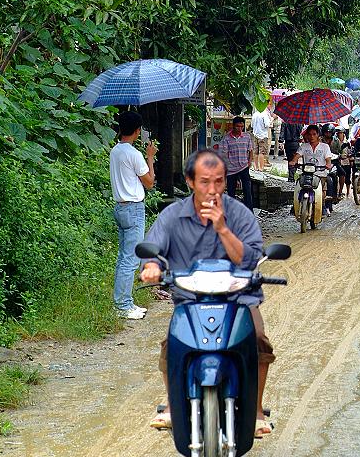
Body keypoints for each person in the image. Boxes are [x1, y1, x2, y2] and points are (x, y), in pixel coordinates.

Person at [139, 149, 276, 436]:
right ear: (190, 181)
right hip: (191, 299)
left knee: (259, 340)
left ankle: (256, 411)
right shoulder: (173, 216)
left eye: (218, 182)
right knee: (172, 343)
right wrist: (151, 266)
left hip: (238, 298)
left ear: (226, 182)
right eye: (204, 182)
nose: (212, 189)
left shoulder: (239, 214)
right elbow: (153, 247)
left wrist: (223, 228)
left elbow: (249, 260)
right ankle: (172, 404)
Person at [109, 110, 156, 319]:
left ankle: (122, 301)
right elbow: (149, 182)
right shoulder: (134, 155)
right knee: (131, 259)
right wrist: (150, 157)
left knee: (123, 257)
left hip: (120, 207)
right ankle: (123, 305)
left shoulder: (115, 151)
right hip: (134, 208)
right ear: (137, 131)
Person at [289, 125, 334, 212]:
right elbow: (297, 156)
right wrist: (293, 161)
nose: (312, 136)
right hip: (306, 173)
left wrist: (328, 164)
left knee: (322, 188)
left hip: (320, 172)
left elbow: (328, 159)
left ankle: (322, 205)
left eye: (314, 134)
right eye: (309, 134)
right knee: (298, 185)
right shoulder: (304, 146)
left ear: (318, 135)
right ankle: (295, 204)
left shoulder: (325, 147)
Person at [219, 115, 254, 210]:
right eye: (238, 126)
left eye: (242, 127)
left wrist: (250, 161)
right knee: (231, 192)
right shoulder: (226, 138)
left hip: (244, 167)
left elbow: (250, 150)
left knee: (247, 191)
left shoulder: (247, 137)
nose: (240, 129)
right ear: (233, 126)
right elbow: (223, 154)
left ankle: (250, 213)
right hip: (231, 169)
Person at [251, 101, 274, 171]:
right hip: (263, 135)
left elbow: (251, 125)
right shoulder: (264, 114)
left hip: (255, 134)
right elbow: (267, 125)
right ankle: (261, 168)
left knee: (255, 151)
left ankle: (256, 167)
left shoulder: (254, 114)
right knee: (262, 152)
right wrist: (271, 120)